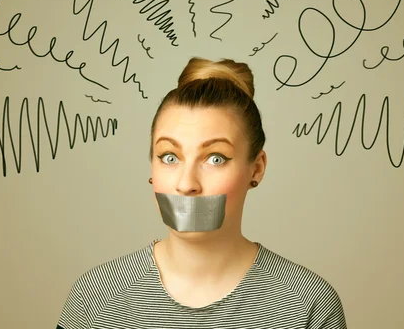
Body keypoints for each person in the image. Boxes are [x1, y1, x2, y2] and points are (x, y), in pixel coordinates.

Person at [56, 57, 347, 328]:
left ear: (256, 169)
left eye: (215, 158)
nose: (187, 184)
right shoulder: (94, 300)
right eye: (170, 157)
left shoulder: (309, 305)